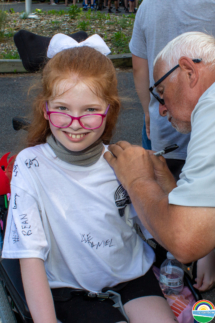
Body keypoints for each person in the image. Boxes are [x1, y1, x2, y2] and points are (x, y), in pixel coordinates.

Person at [2, 34, 177, 323]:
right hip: (69, 291)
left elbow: (154, 226)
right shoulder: (30, 165)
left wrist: (155, 182)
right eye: (62, 109)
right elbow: (29, 255)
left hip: (133, 278)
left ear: (109, 111)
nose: (75, 124)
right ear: (45, 108)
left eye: (91, 111)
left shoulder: (122, 162)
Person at [104, 31, 215, 291]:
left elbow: (185, 240)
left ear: (189, 71)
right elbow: (201, 220)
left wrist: (137, 179)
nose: (161, 108)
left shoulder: (211, 105)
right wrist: (168, 185)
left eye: (161, 92)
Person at [129, 0, 215, 180]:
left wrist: (147, 111)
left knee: (159, 194)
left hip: (163, 134)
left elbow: (139, 68)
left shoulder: (148, 5)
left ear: (190, 71)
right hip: (205, 136)